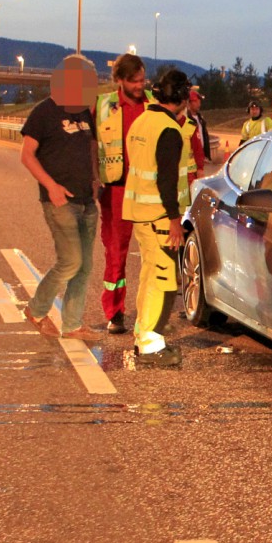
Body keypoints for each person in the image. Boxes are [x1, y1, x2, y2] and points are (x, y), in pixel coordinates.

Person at [20, 55, 104, 342]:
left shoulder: (82, 112)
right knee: (70, 262)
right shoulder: (44, 112)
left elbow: (90, 146)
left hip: (86, 200)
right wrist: (51, 187)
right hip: (60, 201)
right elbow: (26, 155)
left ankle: (72, 324)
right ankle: (36, 309)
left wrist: (94, 176)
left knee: (85, 266)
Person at [123, 68, 198, 367]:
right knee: (162, 281)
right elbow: (166, 180)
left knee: (147, 276)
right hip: (158, 217)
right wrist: (174, 220)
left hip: (141, 213)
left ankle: (142, 332)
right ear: (180, 97)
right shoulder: (169, 131)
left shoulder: (141, 122)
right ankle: (151, 345)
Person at [94, 53, 153, 335]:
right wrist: (93, 179)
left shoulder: (155, 105)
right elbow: (90, 144)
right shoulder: (103, 106)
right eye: (135, 80)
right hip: (115, 190)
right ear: (120, 80)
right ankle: (115, 312)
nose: (141, 85)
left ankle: (151, 313)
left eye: (143, 79)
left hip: (148, 190)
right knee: (116, 254)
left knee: (154, 253)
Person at [186, 88, 210, 180]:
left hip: (200, 156)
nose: (199, 104)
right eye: (196, 101)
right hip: (191, 162)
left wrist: (206, 155)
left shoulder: (200, 119)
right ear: (189, 103)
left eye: (199, 101)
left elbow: (204, 137)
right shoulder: (187, 120)